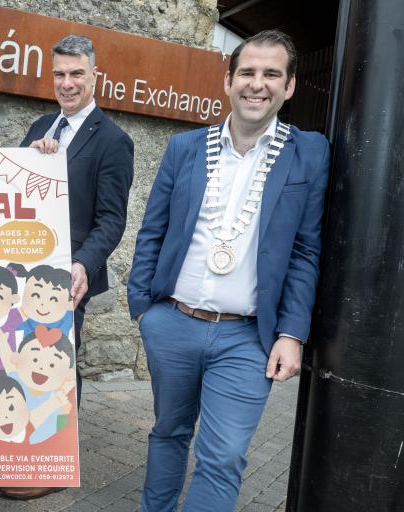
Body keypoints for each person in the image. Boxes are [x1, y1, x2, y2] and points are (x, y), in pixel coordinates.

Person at [127, 30, 330, 511]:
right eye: (247, 73)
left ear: (290, 86)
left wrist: (292, 334)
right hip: (173, 322)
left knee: (224, 456)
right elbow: (152, 231)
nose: (257, 85)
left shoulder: (309, 152)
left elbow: (305, 250)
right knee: (168, 433)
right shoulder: (185, 148)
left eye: (271, 74)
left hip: (246, 338)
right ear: (228, 81)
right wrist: (144, 310)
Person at [2, 33, 134, 500]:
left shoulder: (114, 141)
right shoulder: (41, 125)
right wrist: (28, 163)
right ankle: (24, 448)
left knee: (56, 361)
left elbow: (111, 219)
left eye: (77, 73)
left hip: (69, 275)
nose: (67, 82)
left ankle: (52, 462)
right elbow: (13, 189)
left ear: (95, 75)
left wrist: (83, 264)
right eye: (59, 73)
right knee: (23, 357)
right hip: (24, 268)